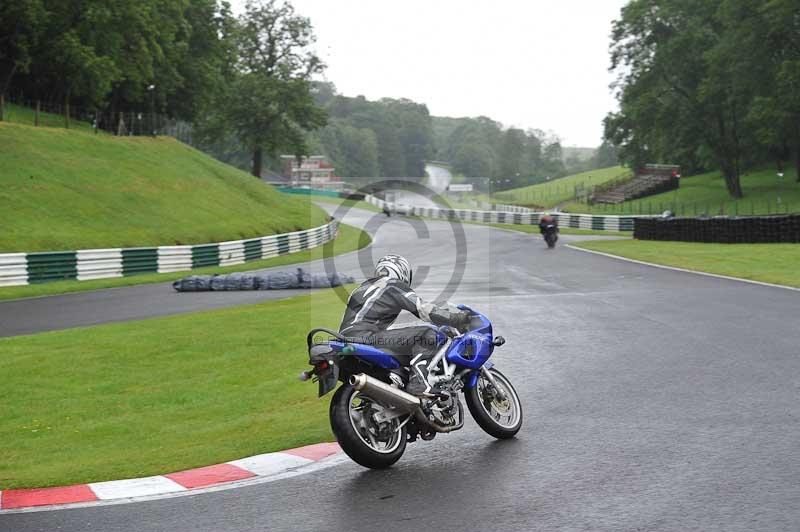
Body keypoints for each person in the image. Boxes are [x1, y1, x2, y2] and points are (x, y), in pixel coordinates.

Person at [339, 254, 469, 397]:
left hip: (346, 340)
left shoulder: (360, 289)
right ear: (402, 271)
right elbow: (424, 310)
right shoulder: (393, 284)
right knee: (427, 334)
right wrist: (457, 318)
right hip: (366, 337)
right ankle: (419, 383)